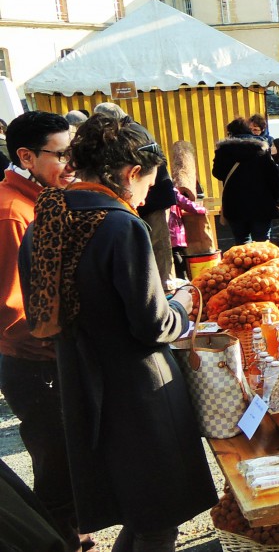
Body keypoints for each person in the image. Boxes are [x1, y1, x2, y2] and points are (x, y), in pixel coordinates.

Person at [18, 114, 217, 551]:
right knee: (159, 517)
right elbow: (153, 325)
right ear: (130, 173)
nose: (147, 195)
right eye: (148, 183)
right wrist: (183, 303)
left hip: (82, 385)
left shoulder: (44, 222)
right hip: (137, 393)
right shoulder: (119, 224)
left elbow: (48, 316)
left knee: (139, 513)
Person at [0, 111, 87, 551]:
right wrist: (68, 348)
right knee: (55, 469)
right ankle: (61, 542)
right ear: (26, 157)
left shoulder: (44, 199)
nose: (71, 162)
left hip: (49, 359)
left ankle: (70, 535)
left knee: (68, 463)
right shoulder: (12, 213)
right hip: (35, 366)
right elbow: (13, 314)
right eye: (62, 154)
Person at [93, 102, 179, 285]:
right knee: (150, 243)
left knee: (158, 243)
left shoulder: (132, 133)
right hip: (143, 195)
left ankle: (164, 285)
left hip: (153, 197)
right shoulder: (126, 132)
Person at [212, 117, 279, 244]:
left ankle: (246, 264)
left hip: (235, 204)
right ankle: (264, 264)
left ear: (230, 134)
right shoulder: (261, 150)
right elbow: (273, 176)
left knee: (242, 243)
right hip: (262, 204)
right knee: (262, 243)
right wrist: (275, 199)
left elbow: (217, 173)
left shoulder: (223, 151)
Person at [168, 186, 207, 280]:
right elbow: (185, 203)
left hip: (166, 229)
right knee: (176, 254)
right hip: (173, 228)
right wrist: (202, 209)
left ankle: (179, 279)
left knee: (172, 254)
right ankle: (183, 279)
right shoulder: (169, 188)